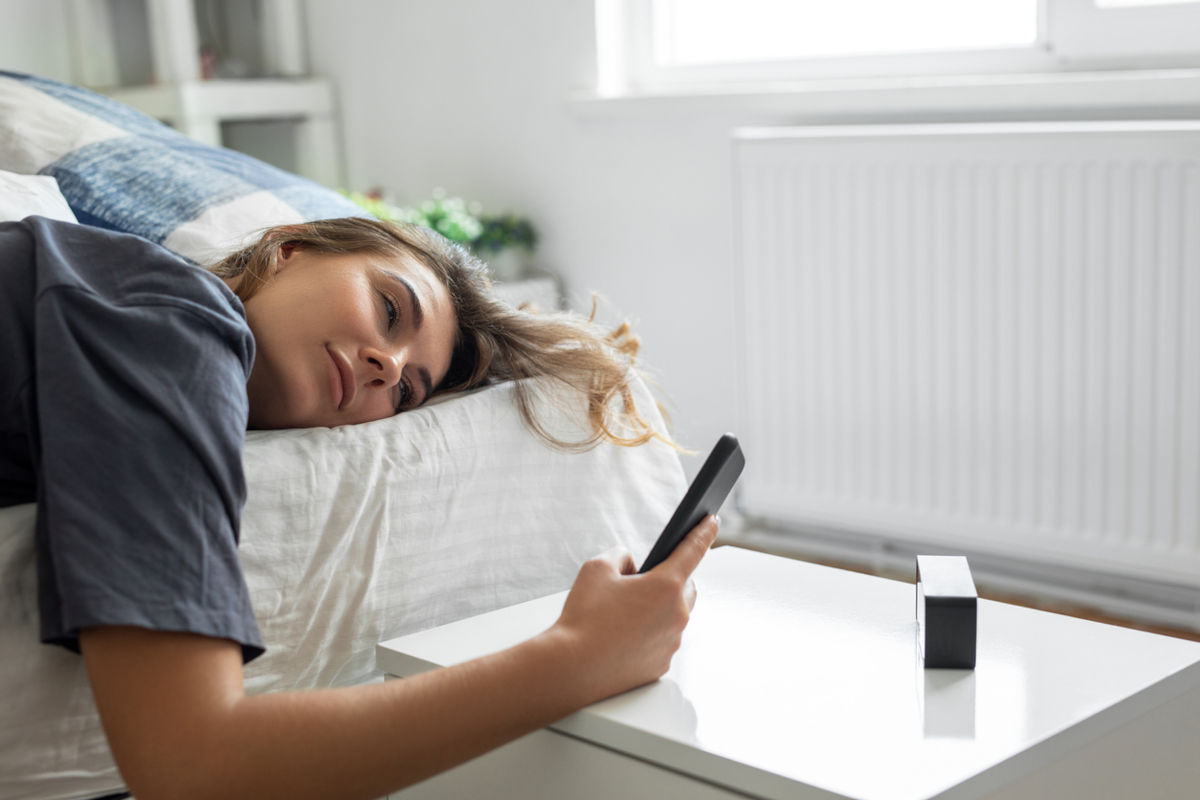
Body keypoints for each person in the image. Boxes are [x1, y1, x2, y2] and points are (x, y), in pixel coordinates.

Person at [0, 214, 718, 799]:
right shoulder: (172, 317)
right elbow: (192, 761)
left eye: (406, 394)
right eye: (388, 308)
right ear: (288, 250)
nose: (389, 366)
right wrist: (577, 659)